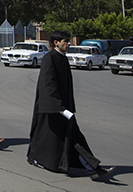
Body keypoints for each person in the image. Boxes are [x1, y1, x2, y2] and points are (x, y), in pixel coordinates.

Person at [27, 31, 115, 179]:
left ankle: (92, 168)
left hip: (64, 108)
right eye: (65, 41)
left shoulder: (62, 58)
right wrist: (59, 107)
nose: (69, 43)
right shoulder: (50, 58)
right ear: (56, 43)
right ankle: (92, 168)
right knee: (64, 138)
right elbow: (48, 84)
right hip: (54, 109)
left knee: (73, 138)